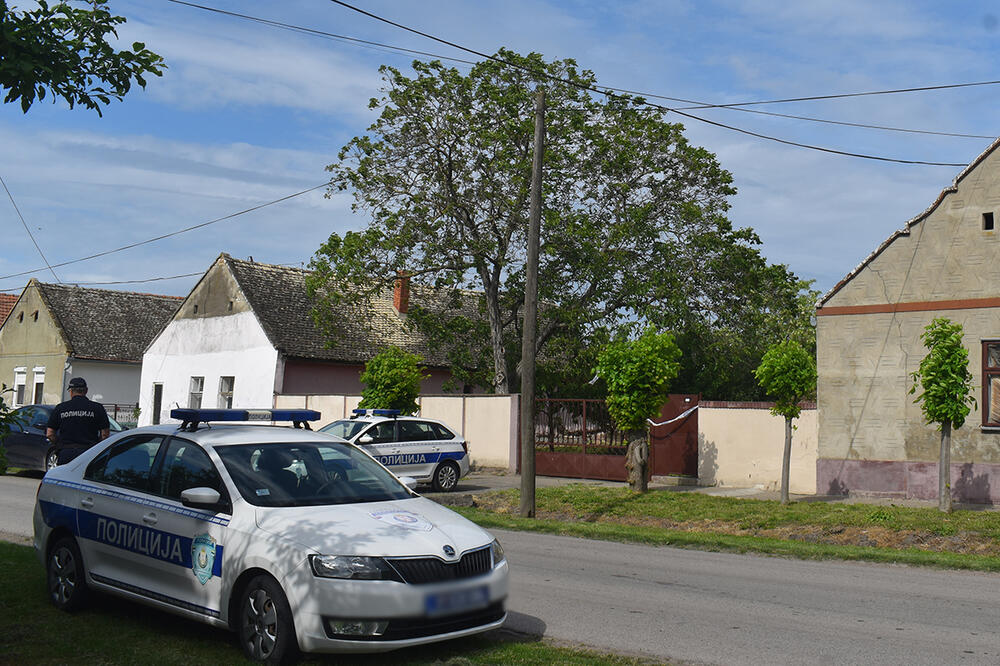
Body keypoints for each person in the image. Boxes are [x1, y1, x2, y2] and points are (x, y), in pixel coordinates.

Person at [46, 377, 110, 465]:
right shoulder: (97, 408)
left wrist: (59, 444)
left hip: (66, 453)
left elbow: (49, 434)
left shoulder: (60, 408)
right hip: (89, 453)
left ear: (71, 391)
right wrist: (96, 447)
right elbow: (105, 434)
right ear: (86, 391)